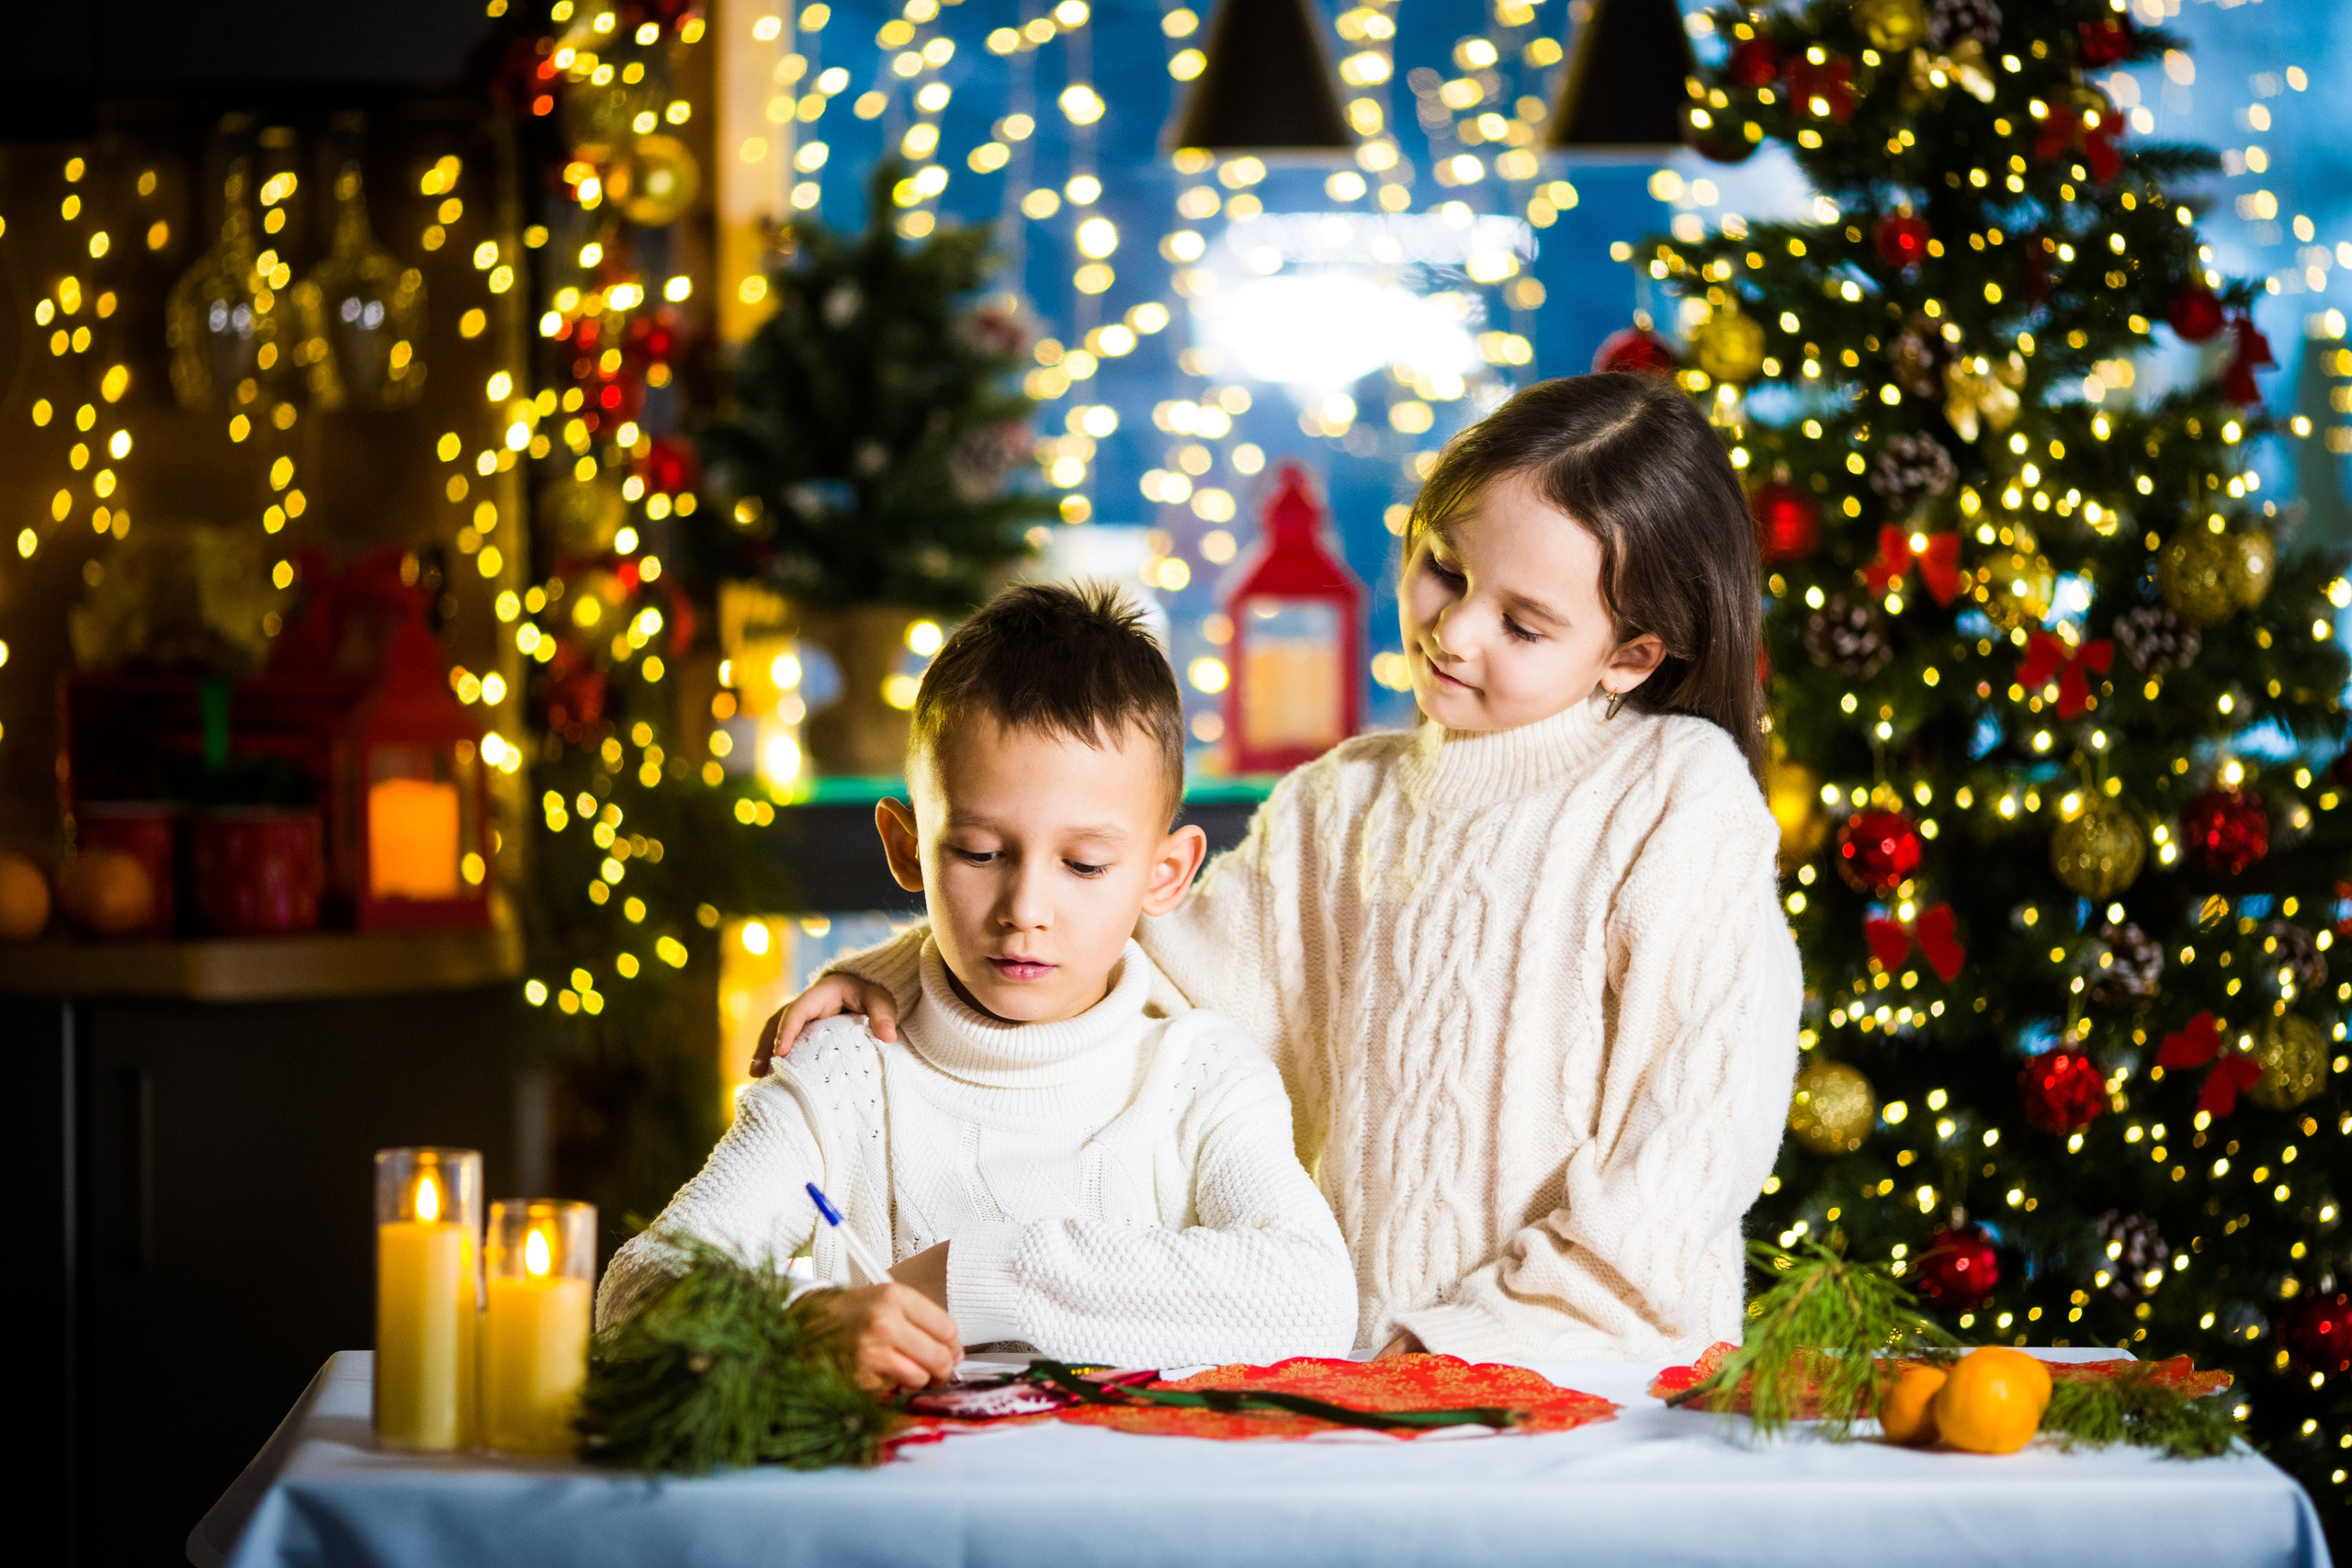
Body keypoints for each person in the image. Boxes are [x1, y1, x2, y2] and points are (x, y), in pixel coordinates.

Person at [758, 373, 1803, 1364]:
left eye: (1523, 623)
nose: (1451, 626)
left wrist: (1468, 1343)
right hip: (1361, 1390)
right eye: (1443, 565)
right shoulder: (1341, 803)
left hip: (1598, 1379)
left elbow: (1691, 1139)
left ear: (1629, 655)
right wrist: (897, 973)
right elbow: (1136, 952)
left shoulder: (1677, 795)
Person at [598, 583, 1356, 1391]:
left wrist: (964, 1277)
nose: (1025, 909)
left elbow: (1310, 1297)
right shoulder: (849, 1072)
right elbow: (634, 1296)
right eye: (979, 852)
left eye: (1085, 865)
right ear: (904, 846)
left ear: (1164, 874)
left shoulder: (1201, 1075)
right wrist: (799, 1324)